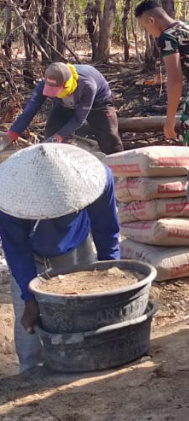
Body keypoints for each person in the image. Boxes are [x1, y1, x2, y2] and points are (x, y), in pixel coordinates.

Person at [0, 143, 120, 373]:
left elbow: (107, 231)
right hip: (31, 254)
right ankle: (31, 374)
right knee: (29, 325)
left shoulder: (98, 178)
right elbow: (16, 249)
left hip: (76, 247)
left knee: (82, 313)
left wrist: (111, 275)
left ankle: (84, 368)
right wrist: (29, 298)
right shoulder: (7, 197)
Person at [1, 62, 123, 155]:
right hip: (65, 103)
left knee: (109, 137)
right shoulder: (45, 84)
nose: (51, 94)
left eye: (56, 91)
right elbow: (29, 112)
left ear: (67, 84)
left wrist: (58, 137)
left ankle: (120, 171)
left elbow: (78, 119)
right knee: (51, 130)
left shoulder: (87, 86)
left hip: (99, 103)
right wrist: (12, 133)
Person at [134, 0, 189, 145]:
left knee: (187, 140)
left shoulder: (168, 36)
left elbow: (175, 79)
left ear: (151, 21)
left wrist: (170, 119)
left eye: (145, 27)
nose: (149, 33)